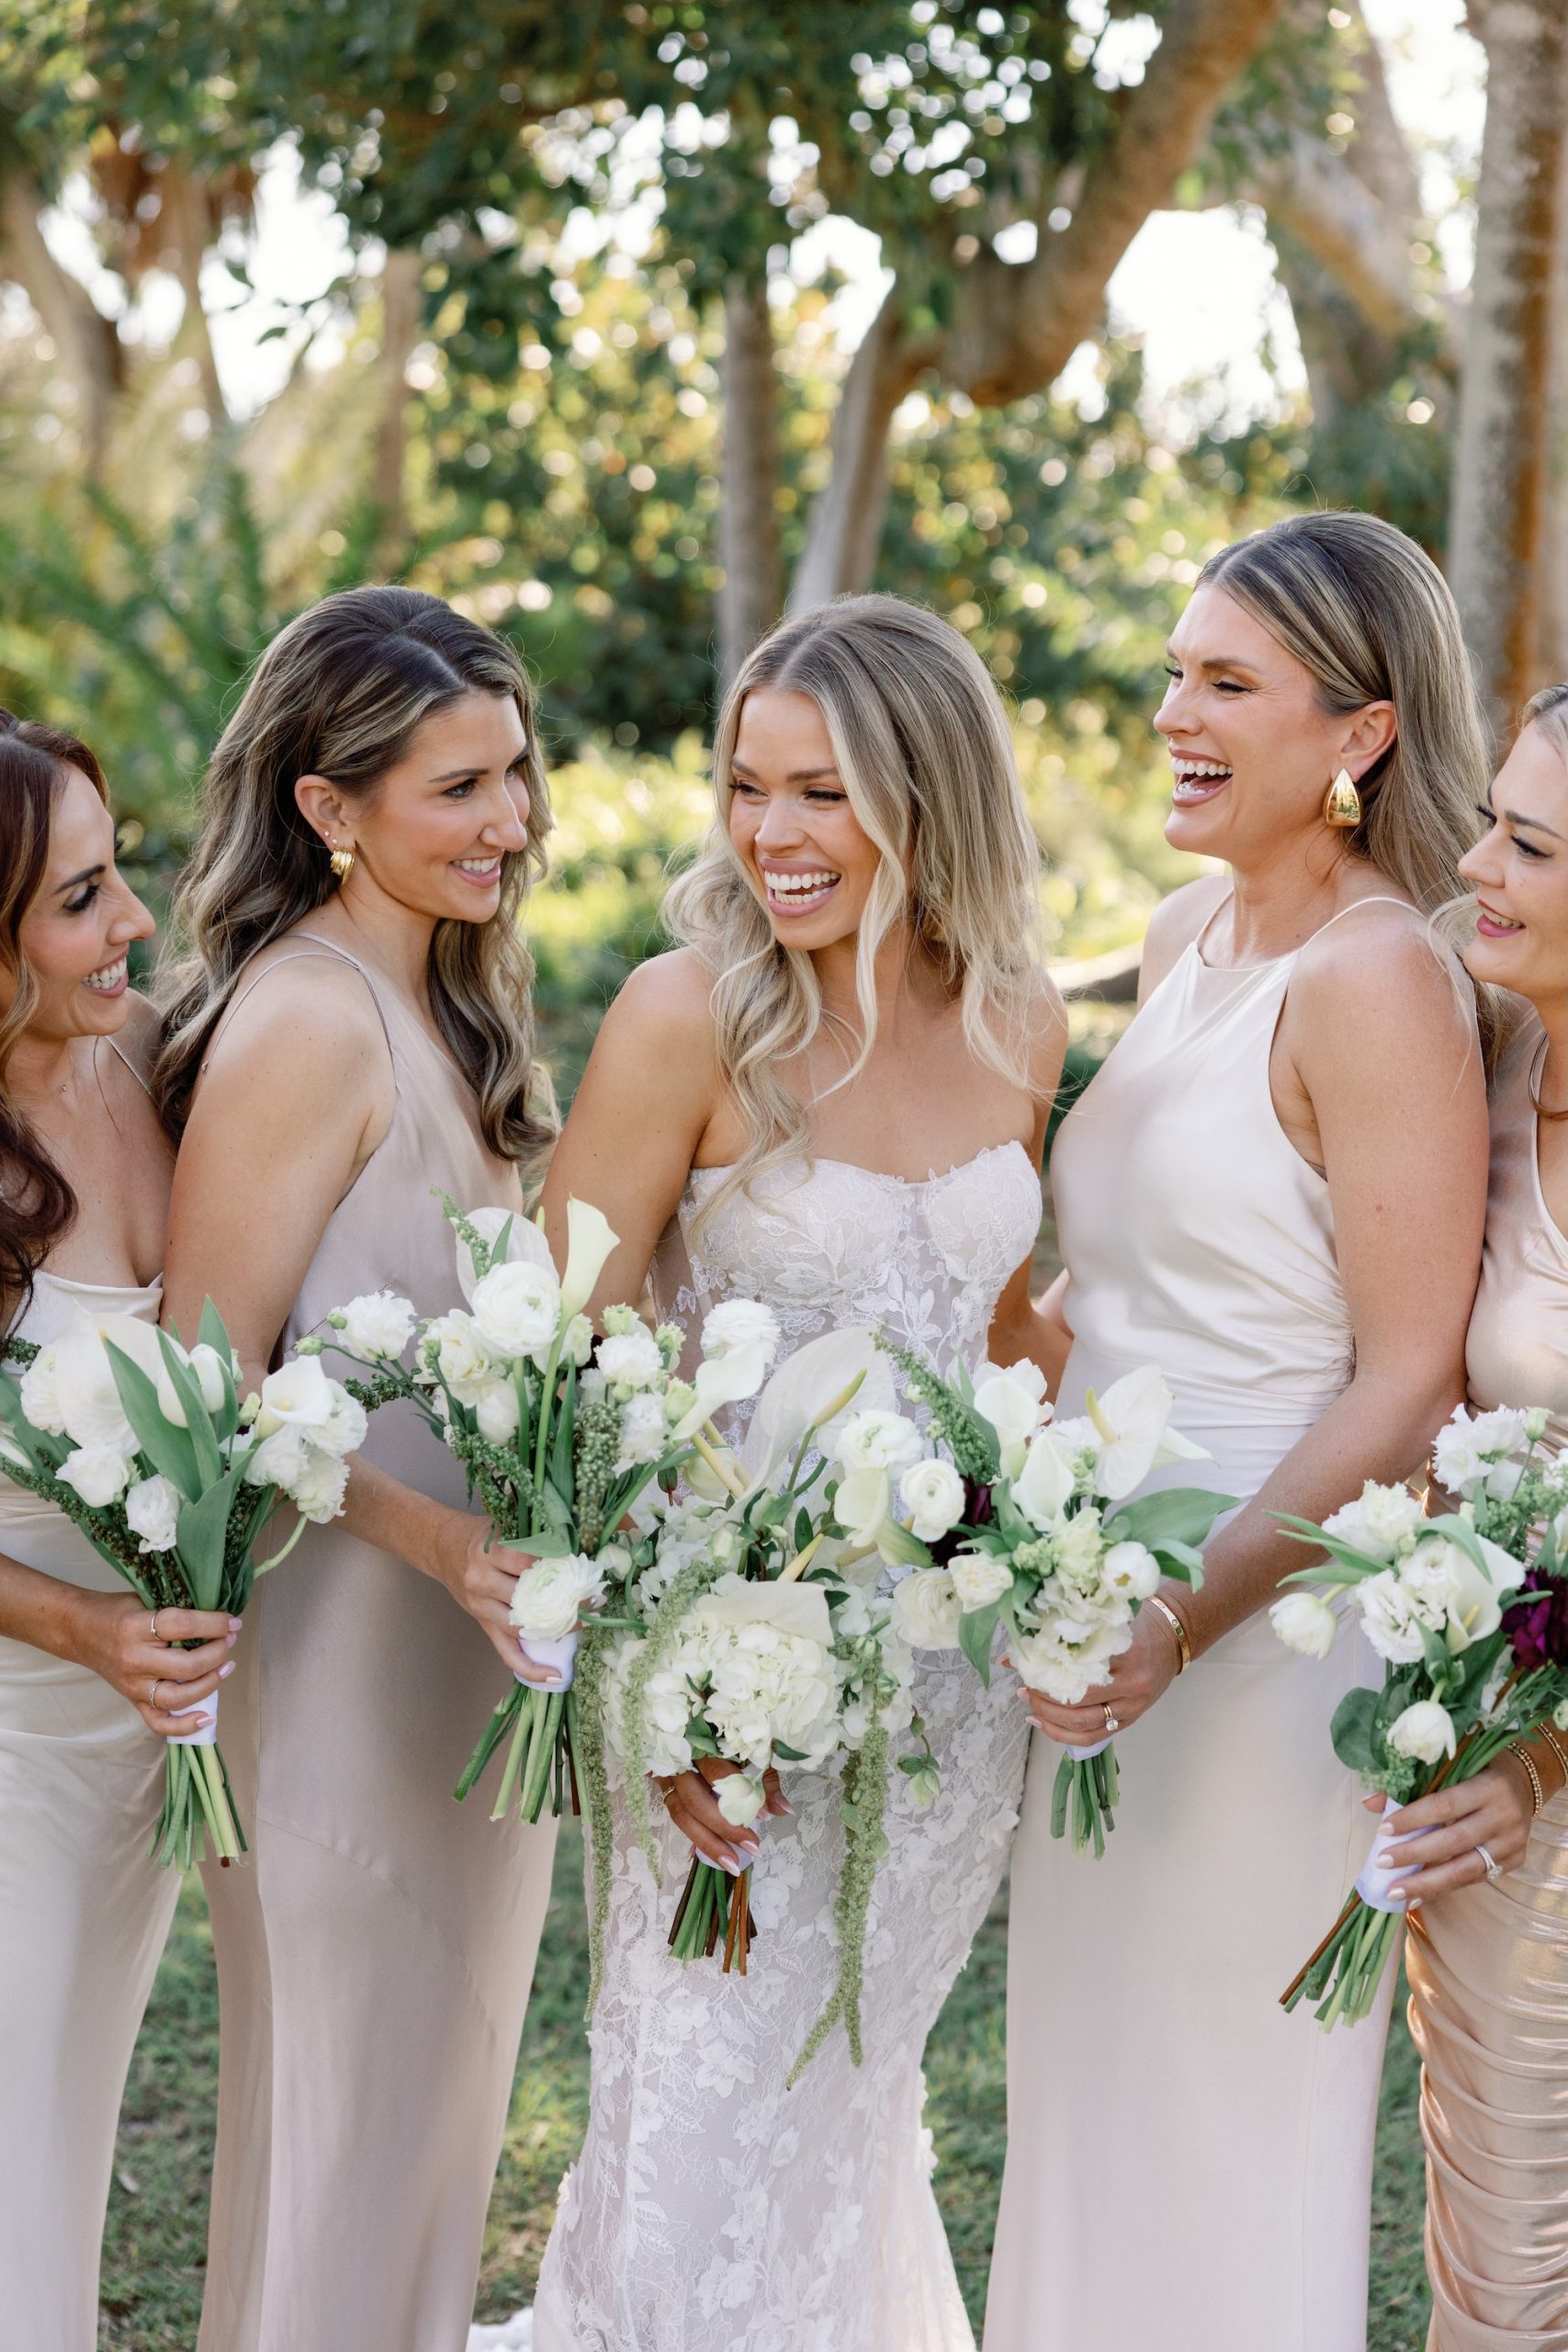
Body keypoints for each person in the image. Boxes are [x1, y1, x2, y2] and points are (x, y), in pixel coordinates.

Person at [525, 594, 1063, 2352]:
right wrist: (661, 1680)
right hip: (728, 1674)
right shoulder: (690, 1015)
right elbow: (563, 1367)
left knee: (844, 2109)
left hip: (951, 1697)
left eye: (823, 791)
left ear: (929, 796)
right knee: (692, 2143)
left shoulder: (1020, 1022)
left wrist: (1072, 1550)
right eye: (749, 787)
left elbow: (1001, 1334)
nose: (773, 832)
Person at [986, 512, 1492, 2352]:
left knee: (1217, 2113)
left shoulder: (1376, 977)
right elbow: (1115, 1284)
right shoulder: (1182, 930)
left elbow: (1406, 1374)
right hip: (1094, 1606)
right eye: (1173, 673)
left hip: (1257, 1627)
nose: (1172, 716)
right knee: (1087, 2098)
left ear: (1359, 731)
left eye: (1225, 683)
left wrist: (1178, 1613)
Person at [156, 588, 558, 2352]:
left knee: (422, 2127)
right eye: (458, 788)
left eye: (515, 774)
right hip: (343, 1653)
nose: (510, 822)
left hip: (460, 1661)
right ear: (328, 806)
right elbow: (203, 1384)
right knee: (343, 2129)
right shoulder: (310, 1019)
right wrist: (437, 1542)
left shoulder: (445, 1007)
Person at [0, 712, 239, 2352]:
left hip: (138, 1746)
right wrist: (89, 1631)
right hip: (20, 1724)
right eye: (82, 900)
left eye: (120, 871)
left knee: (64, 2136)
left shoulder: (149, 1053)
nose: (137, 921)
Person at [1391, 685, 1568, 2347]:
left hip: (1544, 1768)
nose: (1475, 865)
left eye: (1529, 844)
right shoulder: (1490, 1050)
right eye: (1492, 823)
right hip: (1495, 1748)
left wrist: (1537, 1764)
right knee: (1506, 2260)